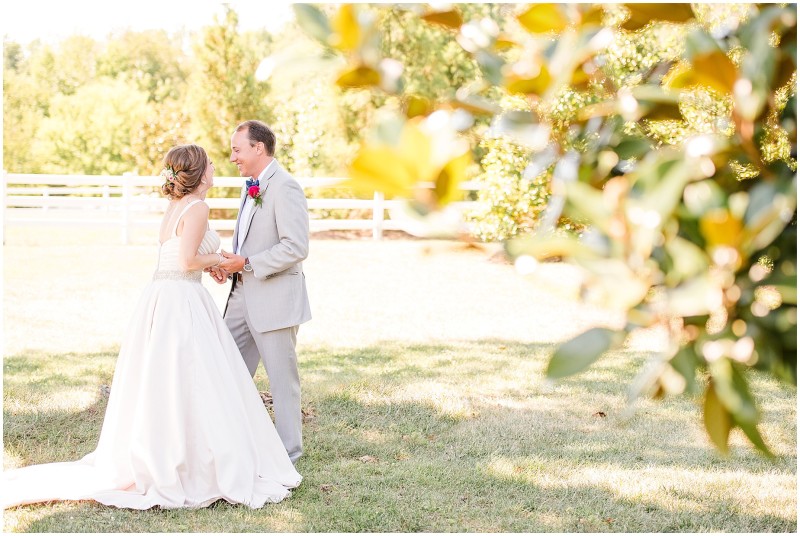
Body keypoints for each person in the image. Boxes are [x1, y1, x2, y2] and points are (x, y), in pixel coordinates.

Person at [2, 144, 301, 510]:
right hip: (183, 301)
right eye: (209, 163)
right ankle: (194, 458)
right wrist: (223, 260)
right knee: (192, 376)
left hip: (163, 294)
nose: (215, 166)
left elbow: (177, 256)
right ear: (199, 172)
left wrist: (212, 265)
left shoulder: (175, 207)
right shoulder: (199, 208)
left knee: (168, 378)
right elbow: (188, 258)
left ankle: (172, 449)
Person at [211, 120, 311, 465]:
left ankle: (288, 455)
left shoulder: (285, 187)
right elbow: (248, 242)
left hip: (275, 300)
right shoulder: (249, 187)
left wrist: (248, 263)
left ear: (258, 147)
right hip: (240, 298)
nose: (232, 157)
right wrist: (229, 264)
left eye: (237, 149)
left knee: (283, 383)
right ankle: (227, 445)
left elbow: (296, 247)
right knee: (223, 370)